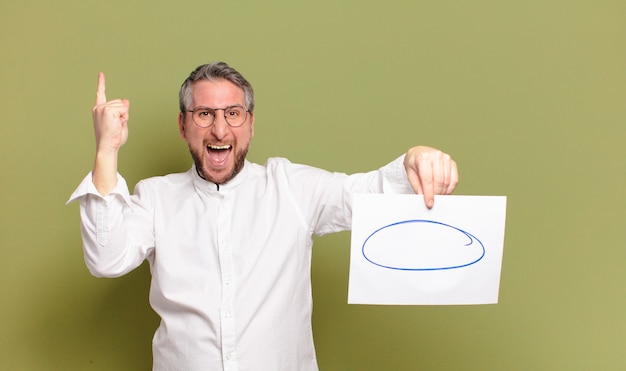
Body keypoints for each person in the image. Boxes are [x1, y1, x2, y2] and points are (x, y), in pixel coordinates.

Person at [68, 62, 458, 371]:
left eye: (233, 113)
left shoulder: (292, 187)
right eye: (204, 113)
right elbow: (106, 259)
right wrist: (106, 150)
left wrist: (416, 157)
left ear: (251, 125)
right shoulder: (154, 197)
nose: (219, 127)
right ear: (183, 125)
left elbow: (370, 192)